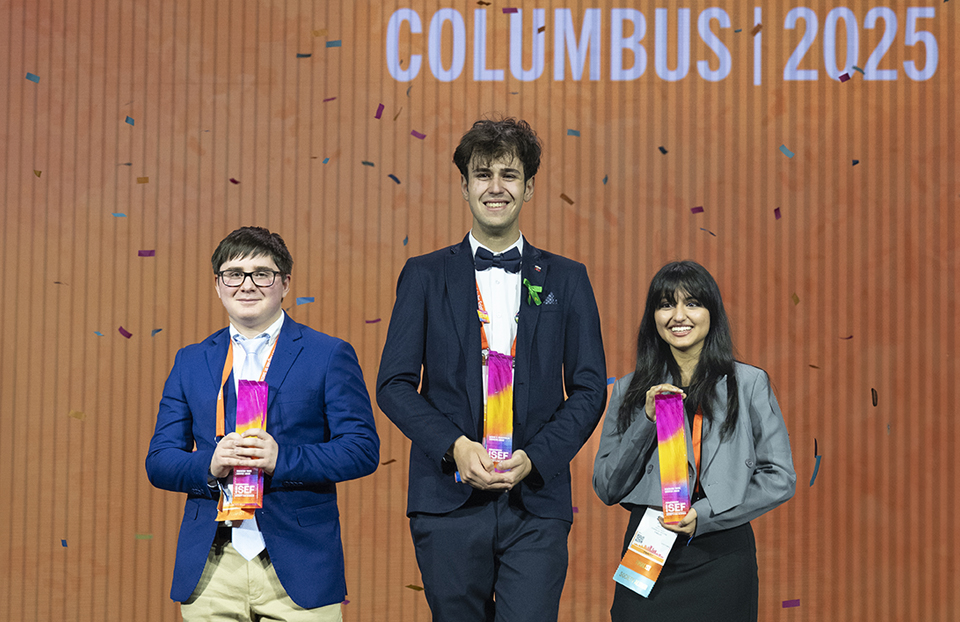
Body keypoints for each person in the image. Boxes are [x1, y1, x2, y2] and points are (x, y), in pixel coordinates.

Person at [376, 118, 607, 621]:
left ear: (529, 187)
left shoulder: (567, 279)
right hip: (448, 500)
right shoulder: (424, 274)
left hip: (536, 502)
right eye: (483, 174)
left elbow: (589, 389)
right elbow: (393, 385)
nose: (495, 187)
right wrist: (455, 447)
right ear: (464, 186)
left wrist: (536, 457)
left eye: (509, 174)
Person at [145, 226, 379, 621]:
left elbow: (360, 449)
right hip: (212, 568)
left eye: (262, 274)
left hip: (298, 563)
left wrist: (281, 458)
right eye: (233, 274)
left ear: (285, 283)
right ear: (218, 285)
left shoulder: (328, 354)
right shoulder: (191, 360)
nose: (247, 285)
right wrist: (209, 463)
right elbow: (160, 460)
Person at [593, 260, 796, 620]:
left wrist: (704, 515)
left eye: (692, 303)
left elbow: (779, 477)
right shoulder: (629, 390)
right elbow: (607, 486)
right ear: (653, 317)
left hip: (721, 554)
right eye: (666, 304)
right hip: (649, 552)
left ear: (711, 312)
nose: (679, 315)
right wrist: (647, 420)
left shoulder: (749, 384)